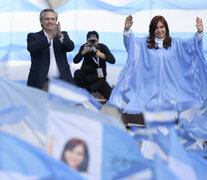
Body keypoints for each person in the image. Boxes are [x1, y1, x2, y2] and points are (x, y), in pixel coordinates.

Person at [105, 15, 207, 114]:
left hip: (171, 89)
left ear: (166, 28)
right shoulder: (144, 43)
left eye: (162, 27)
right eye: (156, 28)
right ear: (152, 30)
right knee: (138, 105)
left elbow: (191, 46)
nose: (159, 30)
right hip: (149, 89)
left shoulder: (176, 43)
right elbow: (132, 45)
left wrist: (199, 32)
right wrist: (126, 30)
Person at [27, 8, 74, 91]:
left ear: (56, 21)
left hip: (62, 82)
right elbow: (32, 48)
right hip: (42, 83)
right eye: (47, 19)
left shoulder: (63, 35)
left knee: (62, 104)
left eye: (53, 19)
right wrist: (49, 37)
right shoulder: (33, 36)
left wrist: (60, 36)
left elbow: (70, 47)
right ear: (41, 21)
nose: (50, 21)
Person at [73, 31, 115, 100]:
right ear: (87, 41)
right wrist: (83, 52)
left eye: (94, 41)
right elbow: (75, 61)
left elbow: (113, 60)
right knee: (77, 73)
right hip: (86, 78)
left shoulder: (102, 47)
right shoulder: (84, 47)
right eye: (90, 41)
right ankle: (85, 98)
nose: (92, 43)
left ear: (98, 41)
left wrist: (102, 55)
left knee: (111, 96)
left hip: (98, 78)